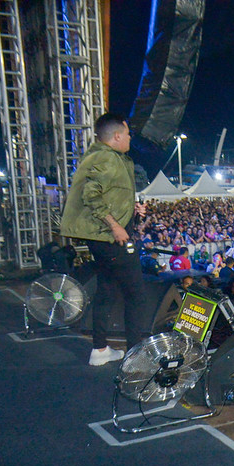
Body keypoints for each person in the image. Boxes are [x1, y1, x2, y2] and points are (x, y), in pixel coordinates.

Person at [60, 112, 146, 366]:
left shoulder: (107, 158)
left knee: (106, 291)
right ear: (117, 135)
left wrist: (131, 212)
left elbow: (106, 196)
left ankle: (99, 350)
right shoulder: (106, 159)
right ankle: (135, 355)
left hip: (104, 239)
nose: (130, 137)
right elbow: (91, 196)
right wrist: (116, 226)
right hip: (111, 239)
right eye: (128, 133)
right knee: (136, 295)